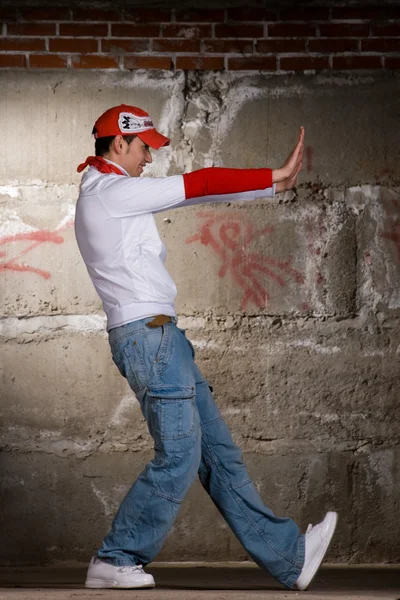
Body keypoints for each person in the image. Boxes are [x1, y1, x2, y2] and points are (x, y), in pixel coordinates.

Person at [74, 104, 337, 592]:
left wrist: (269, 187)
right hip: (148, 337)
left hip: (162, 338)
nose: (149, 158)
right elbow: (201, 183)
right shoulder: (112, 191)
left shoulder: (113, 192)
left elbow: (187, 197)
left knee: (217, 454)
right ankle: (114, 558)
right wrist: (275, 173)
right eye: (145, 147)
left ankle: (289, 557)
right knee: (179, 455)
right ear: (119, 143)